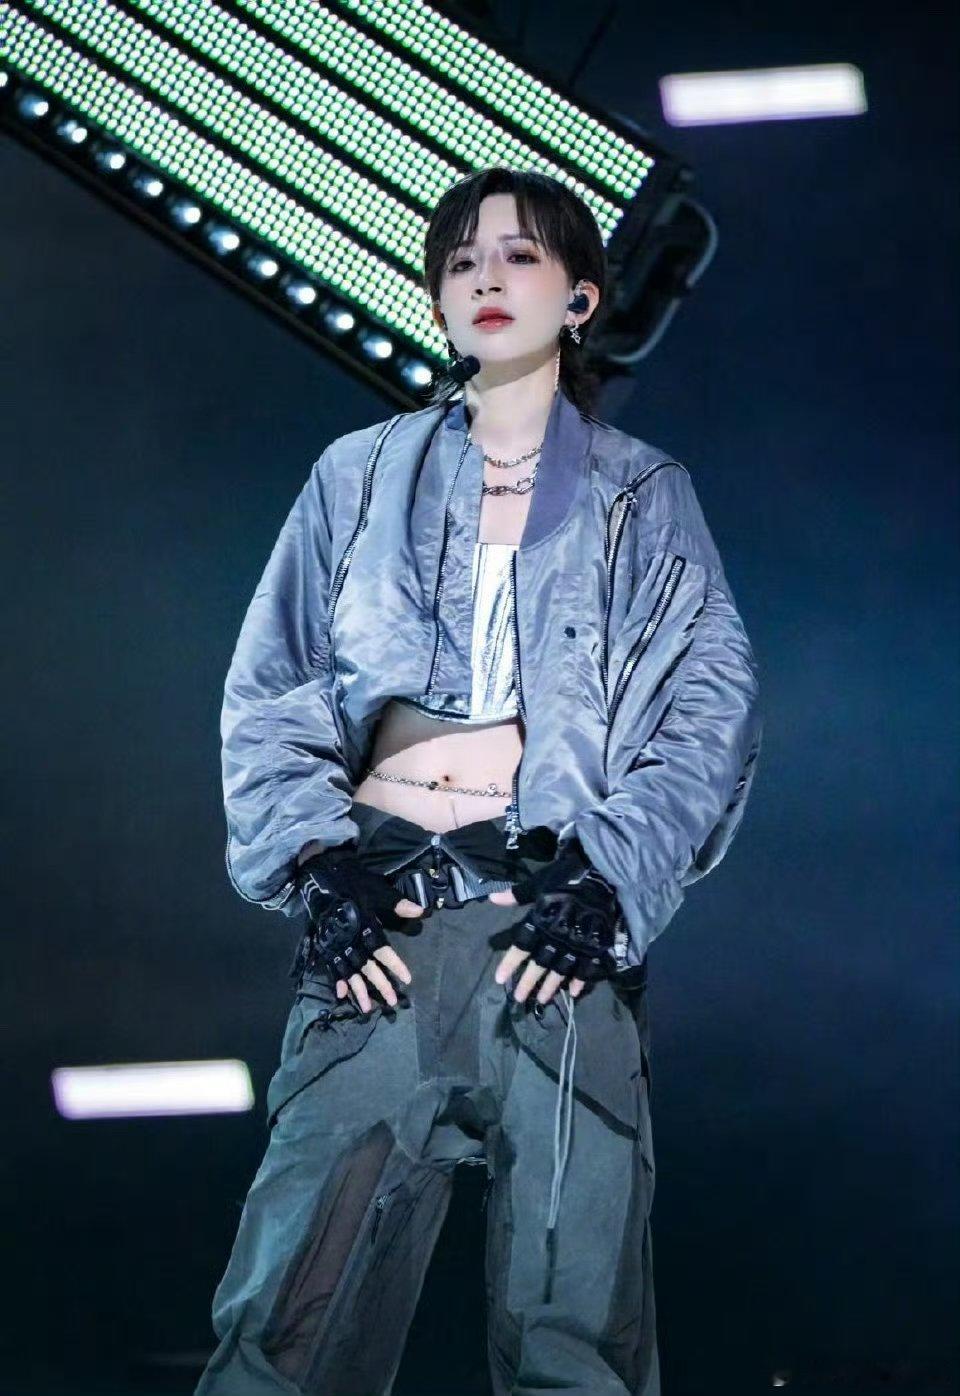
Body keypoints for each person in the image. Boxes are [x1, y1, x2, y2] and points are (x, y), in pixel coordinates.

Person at [196, 167, 763, 1396]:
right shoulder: (357, 472)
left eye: (518, 256)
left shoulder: (639, 493)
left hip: (550, 928)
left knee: (574, 1328)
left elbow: (707, 710)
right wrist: (317, 868)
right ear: (438, 300)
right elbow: (274, 685)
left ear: (581, 298)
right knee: (285, 1320)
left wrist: (607, 887)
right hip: (383, 921)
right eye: (461, 262)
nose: (486, 278)